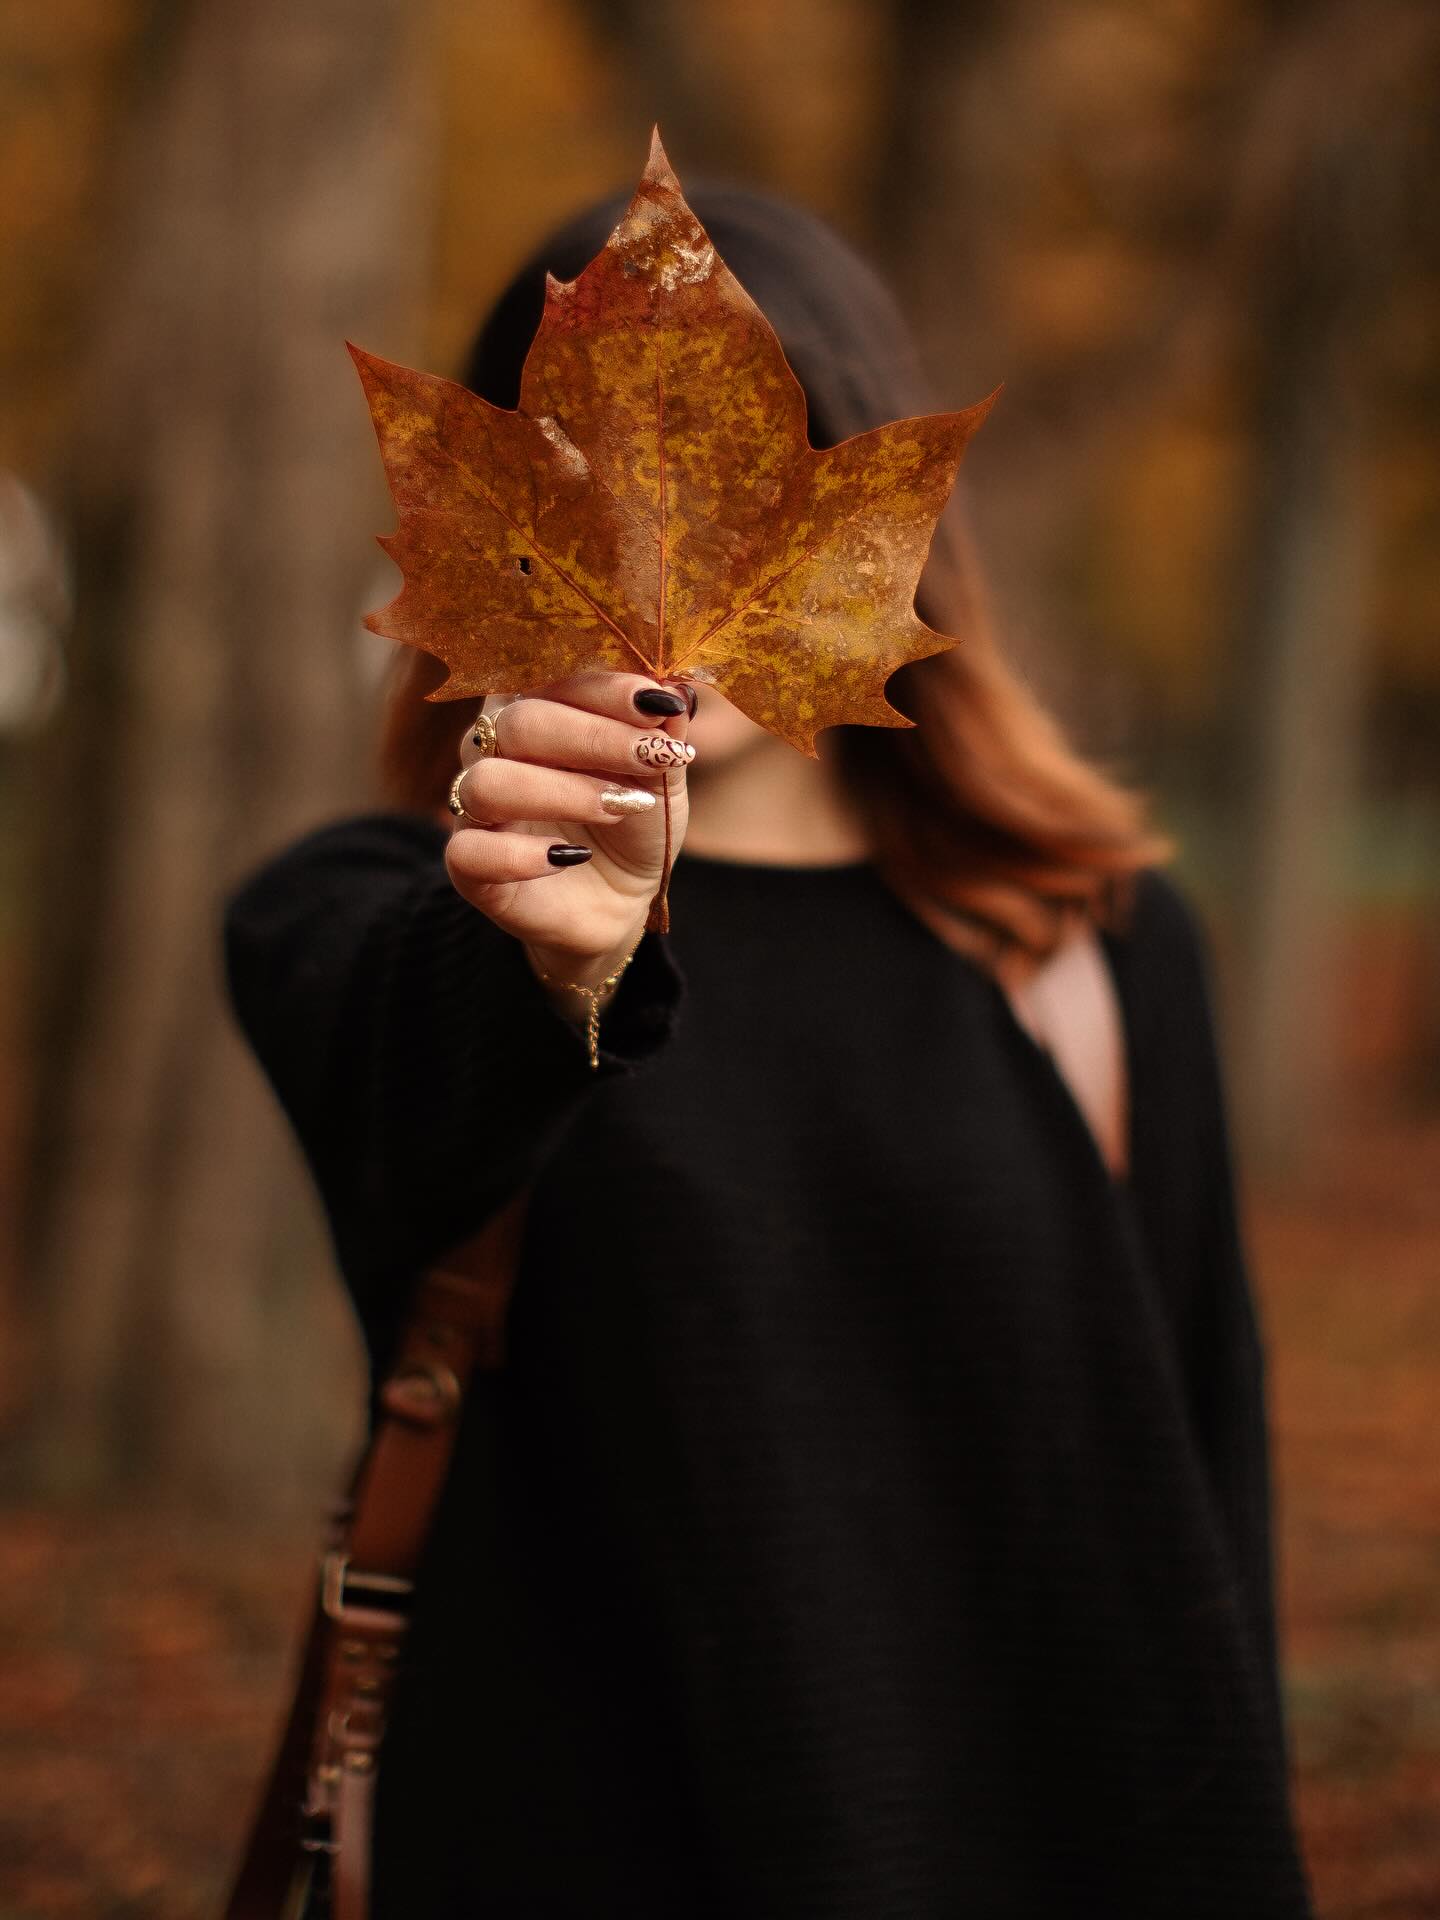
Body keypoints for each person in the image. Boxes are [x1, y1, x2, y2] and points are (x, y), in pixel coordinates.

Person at [222, 182, 1315, 1919]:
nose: (663, 573)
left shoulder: (1094, 948)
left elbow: (1200, 1504)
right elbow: (412, 1077)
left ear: (880, 529)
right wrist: (555, 961)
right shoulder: (363, 925)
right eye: (583, 498)